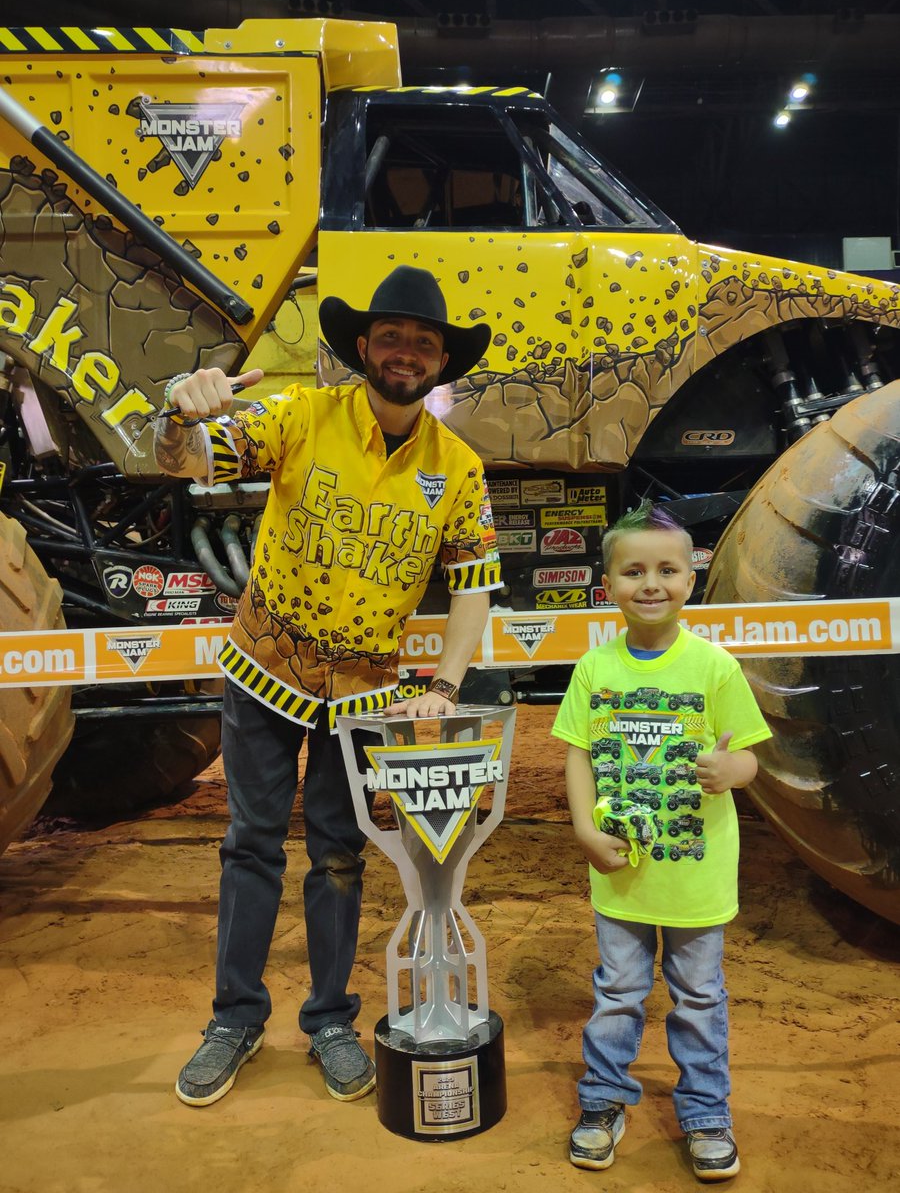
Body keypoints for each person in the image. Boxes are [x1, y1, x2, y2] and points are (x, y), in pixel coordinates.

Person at [154, 265, 502, 1107]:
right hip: (263, 673)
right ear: (362, 347)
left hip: (363, 697)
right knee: (251, 844)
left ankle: (331, 1021)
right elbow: (187, 460)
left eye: (423, 341)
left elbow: (476, 581)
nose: (406, 352)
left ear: (442, 360)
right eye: (390, 336)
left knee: (341, 856)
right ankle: (233, 1021)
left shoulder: (458, 468)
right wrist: (179, 404)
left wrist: (447, 688)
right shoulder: (302, 416)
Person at [551, 501, 771, 1182]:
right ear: (609, 583)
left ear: (691, 579)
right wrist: (585, 830)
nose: (651, 583)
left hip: (696, 878)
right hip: (617, 874)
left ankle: (706, 1113)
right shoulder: (594, 671)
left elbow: (752, 760)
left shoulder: (714, 668)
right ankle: (602, 1102)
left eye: (667, 570)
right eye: (634, 570)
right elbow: (577, 757)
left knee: (699, 995)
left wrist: (729, 770)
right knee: (618, 991)